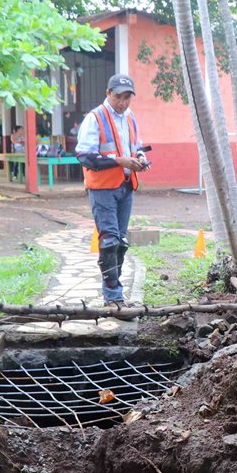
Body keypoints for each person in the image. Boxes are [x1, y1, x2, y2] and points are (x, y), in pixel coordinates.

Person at [76, 73, 149, 306]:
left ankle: (115, 293)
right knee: (109, 241)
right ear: (108, 93)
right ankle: (113, 297)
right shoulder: (95, 118)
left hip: (126, 186)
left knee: (121, 242)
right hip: (103, 189)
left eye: (127, 97)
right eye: (118, 97)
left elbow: (136, 146)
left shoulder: (129, 117)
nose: (123, 102)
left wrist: (140, 158)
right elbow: (85, 156)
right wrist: (119, 161)